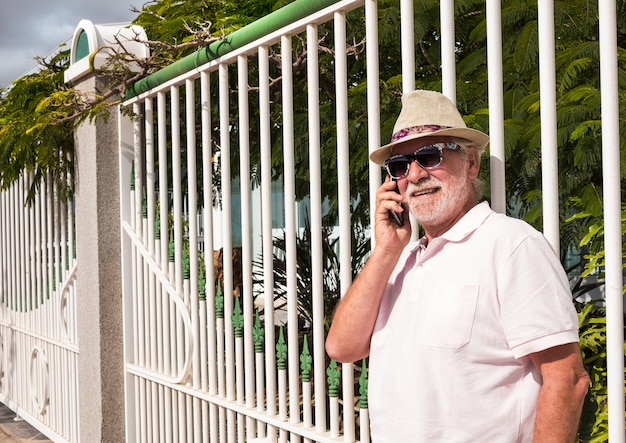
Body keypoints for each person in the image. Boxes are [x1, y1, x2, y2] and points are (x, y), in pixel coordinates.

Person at [325, 90, 589, 442]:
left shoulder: (511, 245)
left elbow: (567, 379)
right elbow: (342, 348)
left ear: (471, 163)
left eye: (429, 156)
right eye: (400, 166)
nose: (415, 174)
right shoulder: (400, 260)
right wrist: (386, 251)